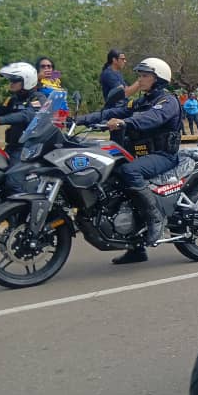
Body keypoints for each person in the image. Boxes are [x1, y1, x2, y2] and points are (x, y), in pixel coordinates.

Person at [75, 58, 181, 264]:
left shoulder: (167, 101)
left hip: (163, 156)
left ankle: (155, 219)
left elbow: (152, 118)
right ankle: (135, 247)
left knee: (130, 172)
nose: (140, 80)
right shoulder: (143, 100)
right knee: (110, 175)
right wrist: (82, 119)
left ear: (158, 79)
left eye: (145, 76)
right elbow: (115, 111)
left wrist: (126, 122)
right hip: (141, 154)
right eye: (139, 76)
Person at [0, 62, 49, 194]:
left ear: (26, 81)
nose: (11, 83)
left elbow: (26, 115)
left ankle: (21, 211)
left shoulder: (38, 98)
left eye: (15, 80)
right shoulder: (14, 99)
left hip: (26, 150)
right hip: (12, 147)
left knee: (12, 182)